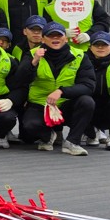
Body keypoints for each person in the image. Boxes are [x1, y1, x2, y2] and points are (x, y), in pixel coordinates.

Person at [16, 22, 96, 156]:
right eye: (51, 36)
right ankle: (49, 135)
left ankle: (72, 142)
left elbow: (89, 85)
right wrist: (34, 62)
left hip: (66, 103)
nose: (55, 39)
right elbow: (19, 80)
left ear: (65, 38)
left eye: (59, 36)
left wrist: (62, 91)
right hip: (40, 103)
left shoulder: (80, 55)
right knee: (29, 126)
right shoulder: (32, 54)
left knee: (87, 102)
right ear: (43, 39)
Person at [45, 0, 110, 51]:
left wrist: (89, 34)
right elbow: (45, 30)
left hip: (89, 50)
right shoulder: (49, 8)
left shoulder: (89, 2)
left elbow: (104, 22)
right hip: (62, 52)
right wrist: (62, 32)